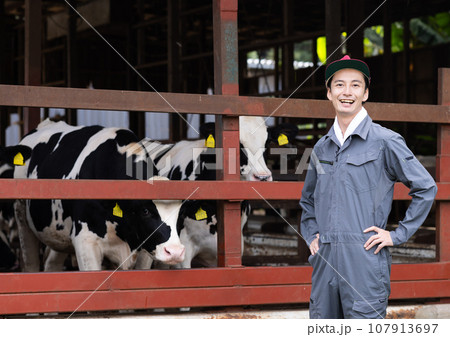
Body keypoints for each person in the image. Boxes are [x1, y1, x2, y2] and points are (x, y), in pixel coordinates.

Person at [299, 55, 437, 319]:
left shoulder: (385, 141)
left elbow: (425, 188)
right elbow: (308, 201)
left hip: (364, 260)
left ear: (366, 93)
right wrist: (312, 235)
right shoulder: (321, 147)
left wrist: (396, 235)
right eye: (339, 85)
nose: (347, 92)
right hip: (325, 262)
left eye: (355, 85)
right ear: (329, 93)